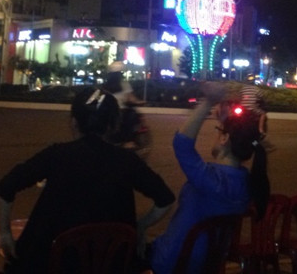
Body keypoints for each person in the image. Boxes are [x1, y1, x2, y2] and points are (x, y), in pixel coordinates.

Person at [0, 87, 175, 273]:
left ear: (74, 122)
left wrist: (5, 232)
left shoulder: (56, 155)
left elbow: (6, 186)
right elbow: (165, 199)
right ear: (113, 125)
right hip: (112, 265)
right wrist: (140, 226)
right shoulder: (128, 161)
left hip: (51, 263)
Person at [149, 82, 270, 274]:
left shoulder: (210, 180)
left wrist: (208, 102)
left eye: (218, 131)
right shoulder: (247, 184)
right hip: (210, 265)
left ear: (224, 139)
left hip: (174, 263)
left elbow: (182, 143)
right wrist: (225, 124)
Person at [102, 61, 143, 145]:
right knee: (133, 115)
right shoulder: (124, 84)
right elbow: (131, 98)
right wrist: (139, 102)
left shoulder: (105, 86)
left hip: (107, 111)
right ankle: (129, 139)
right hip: (121, 111)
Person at [239, 84, 276, 152]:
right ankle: (260, 129)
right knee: (263, 114)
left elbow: (240, 97)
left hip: (243, 109)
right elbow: (262, 98)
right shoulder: (257, 89)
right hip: (253, 109)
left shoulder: (243, 89)